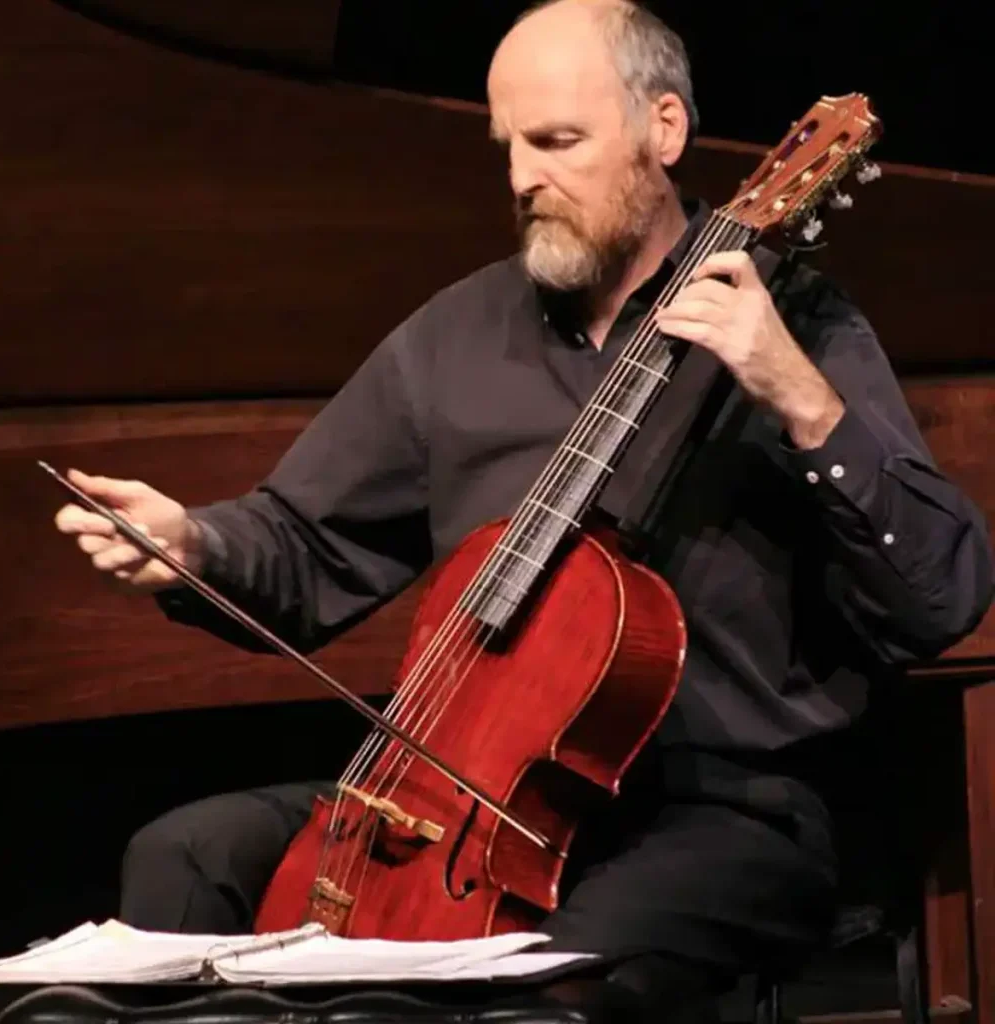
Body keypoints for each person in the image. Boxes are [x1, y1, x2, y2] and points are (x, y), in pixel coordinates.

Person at [54, 0, 993, 1017]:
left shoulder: (790, 322)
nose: (520, 178)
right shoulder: (453, 337)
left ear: (662, 130)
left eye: (556, 142)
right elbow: (305, 539)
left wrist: (797, 393)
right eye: (508, 147)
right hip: (455, 799)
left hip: (719, 810)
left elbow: (938, 596)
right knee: (184, 853)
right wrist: (191, 539)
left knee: (544, 983)